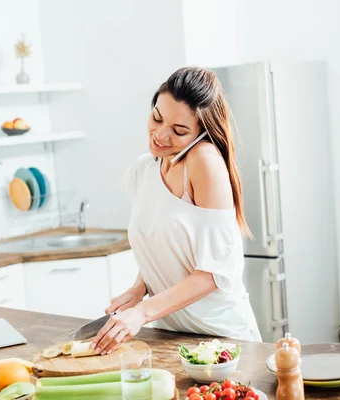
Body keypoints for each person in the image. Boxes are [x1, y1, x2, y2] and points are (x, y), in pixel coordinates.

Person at [91, 67, 262, 355]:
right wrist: (138, 289)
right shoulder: (144, 170)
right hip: (171, 337)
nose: (160, 134)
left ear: (202, 132)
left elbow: (215, 273)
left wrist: (142, 313)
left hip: (223, 342)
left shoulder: (203, 161)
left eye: (179, 131)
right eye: (157, 117)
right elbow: (164, 247)